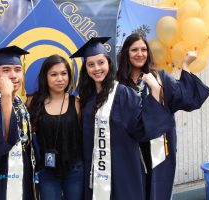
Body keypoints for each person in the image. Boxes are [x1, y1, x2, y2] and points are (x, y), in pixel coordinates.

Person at [70, 37, 173, 200]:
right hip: (96, 174)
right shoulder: (87, 99)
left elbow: (143, 129)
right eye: (91, 64)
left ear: (109, 64)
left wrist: (155, 90)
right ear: (86, 69)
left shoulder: (124, 94)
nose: (96, 68)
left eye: (101, 63)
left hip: (124, 171)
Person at [116, 33, 209, 200]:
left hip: (159, 146)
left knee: (157, 189)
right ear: (126, 53)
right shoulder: (119, 82)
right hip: (131, 146)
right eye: (134, 50)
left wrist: (185, 65)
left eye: (144, 49)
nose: (140, 54)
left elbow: (184, 97)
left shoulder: (159, 76)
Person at [0, 46, 35, 200]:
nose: (13, 75)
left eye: (17, 69)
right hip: (1, 177)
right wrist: (5, 96)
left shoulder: (18, 102)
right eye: (6, 70)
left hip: (23, 173)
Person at [26, 54, 83, 200]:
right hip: (47, 171)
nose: (60, 79)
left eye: (64, 73)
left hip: (75, 169)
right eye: (54, 74)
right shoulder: (33, 102)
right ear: (45, 76)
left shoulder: (76, 103)